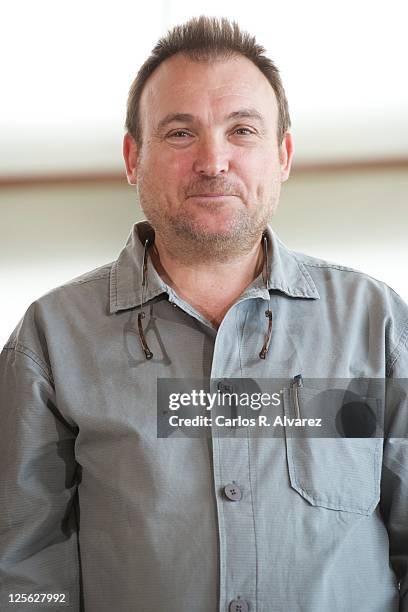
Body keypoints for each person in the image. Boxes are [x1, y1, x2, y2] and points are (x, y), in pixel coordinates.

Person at [1, 15, 407, 612]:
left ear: (283, 155)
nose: (214, 161)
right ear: (133, 158)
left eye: (242, 130)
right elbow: (27, 578)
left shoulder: (379, 326)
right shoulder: (50, 341)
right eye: (180, 133)